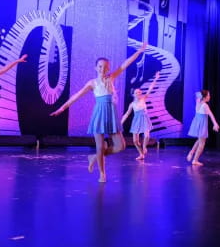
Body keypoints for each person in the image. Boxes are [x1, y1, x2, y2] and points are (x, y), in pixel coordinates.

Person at [50, 42, 148, 182]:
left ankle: (95, 156)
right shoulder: (92, 83)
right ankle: (102, 174)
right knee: (100, 146)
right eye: (100, 66)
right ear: (96, 68)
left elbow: (125, 64)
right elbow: (76, 96)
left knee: (121, 146)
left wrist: (139, 52)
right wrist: (61, 108)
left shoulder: (111, 78)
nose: (103, 68)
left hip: (111, 114)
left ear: (108, 68)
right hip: (99, 114)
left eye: (106, 66)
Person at [121, 71, 160, 160]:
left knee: (146, 136)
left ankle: (144, 147)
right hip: (136, 120)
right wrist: (120, 122)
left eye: (139, 92)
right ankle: (141, 154)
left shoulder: (144, 98)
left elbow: (151, 88)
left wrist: (156, 78)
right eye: (137, 93)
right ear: (133, 94)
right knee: (135, 141)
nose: (139, 94)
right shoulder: (132, 104)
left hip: (144, 118)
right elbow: (127, 114)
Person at [186, 90, 219, 166]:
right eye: (208, 95)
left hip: (197, 123)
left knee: (199, 140)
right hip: (202, 124)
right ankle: (195, 160)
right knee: (202, 143)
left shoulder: (198, 101)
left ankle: (191, 153)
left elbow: (198, 96)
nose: (209, 97)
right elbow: (211, 114)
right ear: (204, 97)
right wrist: (215, 124)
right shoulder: (205, 105)